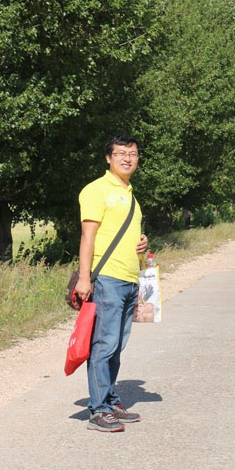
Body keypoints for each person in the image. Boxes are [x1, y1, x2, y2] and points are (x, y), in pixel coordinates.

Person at [74, 134, 150, 433]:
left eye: (132, 153)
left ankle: (110, 398)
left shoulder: (130, 193)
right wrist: (84, 277)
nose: (127, 158)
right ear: (109, 158)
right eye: (121, 153)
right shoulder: (96, 190)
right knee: (103, 346)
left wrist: (141, 242)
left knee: (117, 346)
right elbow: (88, 237)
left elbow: (123, 232)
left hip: (130, 279)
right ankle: (98, 410)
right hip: (107, 279)